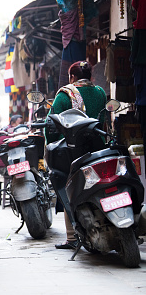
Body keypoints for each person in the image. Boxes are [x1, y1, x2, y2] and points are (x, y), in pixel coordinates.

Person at [47, 61, 107, 249]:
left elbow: (51, 126)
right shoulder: (100, 93)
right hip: (98, 147)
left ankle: (72, 237)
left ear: (72, 77)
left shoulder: (64, 96)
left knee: (69, 187)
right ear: (90, 77)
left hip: (73, 151)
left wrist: (53, 143)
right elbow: (103, 121)